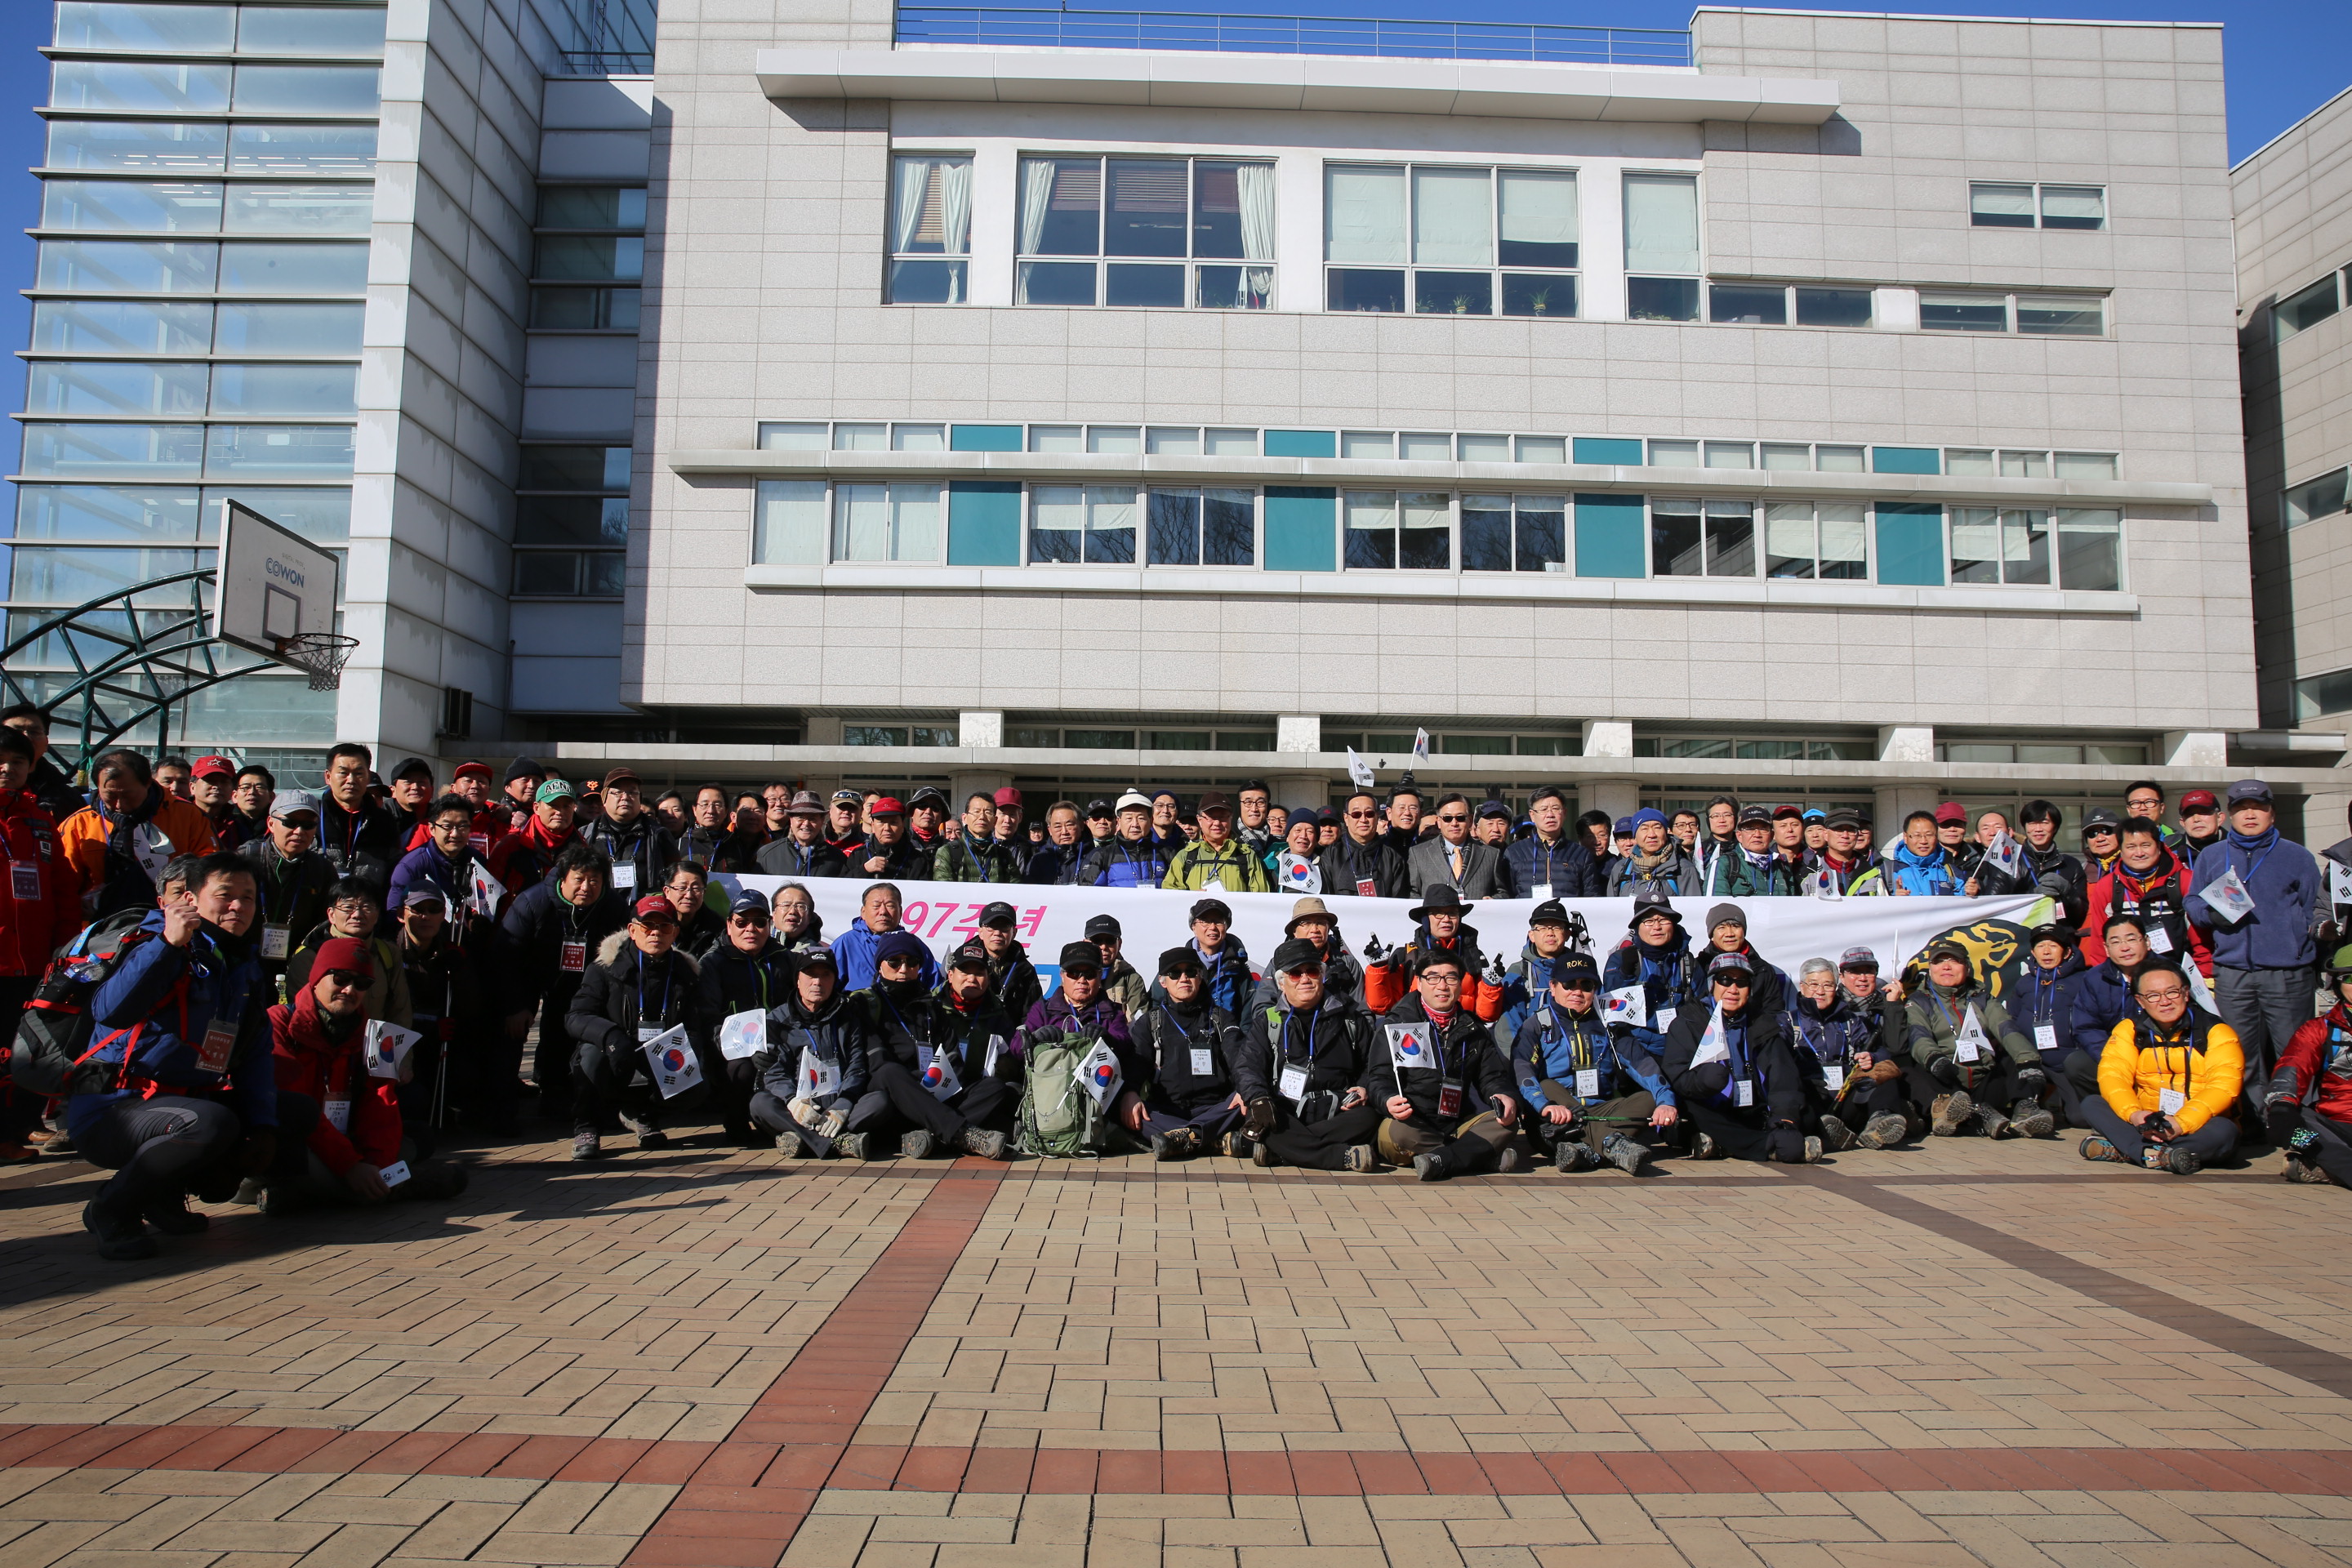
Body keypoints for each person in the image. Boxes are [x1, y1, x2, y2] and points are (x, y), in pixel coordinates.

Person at [76, 853, 316, 1259]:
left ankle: (162, 1195)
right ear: (190, 899)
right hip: (115, 1106)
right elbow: (109, 1011)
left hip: (185, 1100)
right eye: (224, 895)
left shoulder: (240, 962)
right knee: (210, 1124)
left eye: (248, 897)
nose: (237, 906)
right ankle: (111, 1208)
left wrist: (262, 1126)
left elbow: (255, 1053)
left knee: (294, 1113)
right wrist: (167, 945)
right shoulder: (158, 941)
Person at [265, 935, 462, 1209]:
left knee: (418, 1137)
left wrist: (375, 1164)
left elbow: (381, 1105)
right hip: (300, 1136)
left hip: (343, 1137)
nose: (349, 990)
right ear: (316, 978)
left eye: (361, 983)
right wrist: (350, 1166)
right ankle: (397, 1186)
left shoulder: (376, 1034)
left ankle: (314, 1194)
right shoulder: (278, 1022)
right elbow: (295, 1107)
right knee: (286, 1154)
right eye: (340, 978)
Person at [2186, 779, 2324, 1132]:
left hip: (2287, 971)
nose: (2250, 814)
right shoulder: (2213, 856)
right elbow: (2192, 901)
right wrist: (2210, 915)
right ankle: (2251, 1123)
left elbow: (2314, 909)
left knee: (2295, 1053)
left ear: (2272, 814)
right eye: (2241, 808)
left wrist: (2302, 947)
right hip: (2233, 971)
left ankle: (2302, 1127)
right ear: (2228, 816)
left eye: (2258, 808)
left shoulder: (2297, 856)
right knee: (2240, 1053)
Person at [567, 893, 710, 1160]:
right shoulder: (605, 967)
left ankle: (644, 1115)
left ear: (674, 933)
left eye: (664, 926)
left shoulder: (686, 973)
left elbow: (693, 1023)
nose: (656, 933)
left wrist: (690, 1051)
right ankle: (587, 1127)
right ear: (633, 930)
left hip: (660, 1054)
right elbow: (577, 1016)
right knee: (590, 1056)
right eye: (648, 926)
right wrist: (610, 1036)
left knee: (696, 1082)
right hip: (616, 1050)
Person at [853, 931, 1015, 1160]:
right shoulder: (865, 1002)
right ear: (880, 965)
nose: (903, 969)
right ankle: (962, 1134)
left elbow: (953, 1057)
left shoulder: (931, 1005)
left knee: (993, 1087)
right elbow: (876, 1063)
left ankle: (927, 1137)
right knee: (890, 1071)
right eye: (894, 962)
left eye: (911, 962)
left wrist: (939, 1084)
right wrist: (922, 1082)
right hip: (891, 1090)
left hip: (933, 1089)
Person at [497, 842, 626, 1129]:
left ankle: (572, 1096)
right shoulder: (532, 902)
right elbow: (507, 958)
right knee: (513, 1029)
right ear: (563, 878)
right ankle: (502, 1109)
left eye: (595, 880)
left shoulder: (613, 906)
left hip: (585, 981)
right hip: (531, 973)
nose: (586, 887)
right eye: (579, 879)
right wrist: (516, 1006)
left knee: (575, 1027)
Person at [1510, 953, 1674, 1174]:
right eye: (1569, 984)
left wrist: (1666, 1102)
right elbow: (1522, 1072)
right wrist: (1544, 1105)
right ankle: (1611, 1144)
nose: (1577, 992)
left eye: (1586, 985)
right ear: (1553, 987)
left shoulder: (1609, 1023)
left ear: (1595, 990)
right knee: (1548, 1085)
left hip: (1600, 1110)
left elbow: (1642, 1064)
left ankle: (1587, 1153)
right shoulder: (1537, 1025)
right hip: (1556, 1118)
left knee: (1649, 1098)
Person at [1230, 937, 1384, 1171]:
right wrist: (1258, 1097)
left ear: (1322, 975)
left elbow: (1373, 1065)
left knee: (1368, 1118)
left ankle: (1283, 1151)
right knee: (1261, 1115)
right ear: (1282, 983)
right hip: (1287, 1108)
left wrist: (1363, 1087)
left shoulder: (1350, 1018)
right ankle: (1341, 1156)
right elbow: (1248, 1066)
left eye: (1311, 971)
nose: (1305, 979)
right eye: (1295, 974)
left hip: (1339, 1108)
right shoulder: (1269, 1021)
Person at [1369, 951, 1520, 1181]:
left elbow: (1492, 1077)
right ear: (1419, 983)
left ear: (1460, 984)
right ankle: (1477, 1156)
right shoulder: (1396, 1025)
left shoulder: (1474, 1028)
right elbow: (1379, 1078)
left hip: (1457, 1122)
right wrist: (1388, 1100)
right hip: (1413, 1123)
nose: (1442, 986)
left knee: (1506, 1122)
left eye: (1451, 978)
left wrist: (1503, 1095)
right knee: (1398, 1133)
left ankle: (1442, 1160)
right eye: (1432, 978)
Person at [0, 733, 80, 1158]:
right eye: (1, 759)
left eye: (18, 760)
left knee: (25, 1050)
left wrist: (63, 946)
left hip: (34, 961)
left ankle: (14, 1132)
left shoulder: (39, 820)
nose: (8, 768)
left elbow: (63, 887)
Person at [2078, 966, 2242, 1174]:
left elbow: (2223, 1087)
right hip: (2146, 1123)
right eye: (2153, 996)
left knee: (2225, 1131)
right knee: (2093, 1104)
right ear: (2140, 1001)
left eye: (2172, 992)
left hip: (2196, 1124)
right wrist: (2135, 1115)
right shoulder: (2129, 1029)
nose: (2164, 1001)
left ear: (2186, 993)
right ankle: (2159, 1155)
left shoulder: (2215, 1031)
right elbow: (2113, 1076)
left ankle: (2133, 1151)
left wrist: (2181, 1123)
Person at [1663, 951, 1815, 1163]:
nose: (1733, 989)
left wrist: (1785, 1120)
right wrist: (1703, 1081)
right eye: (1725, 980)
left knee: (1803, 1109)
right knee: (1691, 1110)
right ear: (1712, 985)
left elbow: (1782, 1077)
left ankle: (1726, 1146)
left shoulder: (1762, 1023)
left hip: (1753, 1106)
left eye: (1741, 982)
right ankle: (1766, 1146)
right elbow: (1677, 1076)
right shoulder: (1688, 1021)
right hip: (1713, 1107)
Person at [1903, 938, 2054, 1139]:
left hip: (1983, 1077)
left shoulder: (1982, 997)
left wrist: (2029, 1062)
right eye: (1939, 961)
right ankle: (1976, 1115)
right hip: (1947, 1080)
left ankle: (2024, 1110)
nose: (1946, 967)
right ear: (1930, 968)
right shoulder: (1918, 1001)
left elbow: (2006, 1028)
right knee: (1911, 1068)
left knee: (2013, 1057)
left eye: (1954, 961)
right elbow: (1919, 1036)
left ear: (1966, 967)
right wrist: (1935, 1060)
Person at [58, 748, 218, 920]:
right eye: (110, 795)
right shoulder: (79, 824)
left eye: (128, 795)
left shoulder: (188, 816)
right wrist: (79, 906)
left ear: (148, 783)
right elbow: (62, 885)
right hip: (99, 924)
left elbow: (210, 872)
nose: (119, 805)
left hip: (171, 921)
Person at [1125, 946, 1250, 1159]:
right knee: (1130, 1109)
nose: (1184, 978)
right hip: (1167, 1111)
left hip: (1215, 1108)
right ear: (1163, 982)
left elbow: (1238, 1056)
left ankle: (1185, 1138)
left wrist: (1244, 1089)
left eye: (1190, 972)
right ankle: (1212, 1140)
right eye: (1175, 973)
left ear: (1200, 977)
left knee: (1245, 1101)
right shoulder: (1150, 1023)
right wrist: (1130, 1092)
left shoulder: (1221, 1018)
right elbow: (1136, 1064)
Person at [750, 945, 873, 1157]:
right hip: (800, 1104)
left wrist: (844, 1102)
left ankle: (801, 1139)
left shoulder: (849, 1014)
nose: (817, 982)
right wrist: (792, 1101)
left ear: (834, 980)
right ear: (797, 979)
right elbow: (775, 1072)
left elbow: (857, 1064)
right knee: (760, 1104)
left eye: (825, 975)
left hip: (839, 1101)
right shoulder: (776, 1020)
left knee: (879, 1101)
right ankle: (837, 1143)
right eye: (810, 975)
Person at [394, 886, 487, 1150]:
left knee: (470, 1072)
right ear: (402, 914)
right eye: (418, 910)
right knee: (414, 1098)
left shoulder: (452, 949)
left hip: (441, 1048)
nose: (426, 917)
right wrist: (429, 1026)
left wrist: (460, 973)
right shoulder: (390, 952)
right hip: (403, 1047)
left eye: (434, 910)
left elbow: (471, 1008)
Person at [1784, 958, 1909, 1151]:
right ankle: (1829, 1132)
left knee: (1885, 1074)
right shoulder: (1787, 1021)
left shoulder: (1850, 1020)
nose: (1820, 991)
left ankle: (1878, 1125)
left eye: (1827, 985)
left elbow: (1882, 1051)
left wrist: (1871, 1057)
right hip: (1812, 1096)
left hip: (1845, 1093)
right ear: (1802, 987)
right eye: (1814, 984)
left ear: (1836, 987)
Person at [2079, 820, 2209, 981]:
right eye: (2131, 847)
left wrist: (2205, 977)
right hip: (2127, 979)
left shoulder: (2185, 881)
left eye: (2146, 845)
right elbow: (2100, 941)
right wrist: (2108, 982)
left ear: (2159, 846)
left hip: (2176, 978)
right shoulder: (2107, 886)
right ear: (2121, 849)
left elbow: (2202, 939)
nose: (2139, 853)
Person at [2267, 943, 2352, 1187]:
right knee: (2293, 1123)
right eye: (2349, 978)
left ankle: (2322, 1170)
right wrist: (2281, 1105)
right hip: (2336, 1127)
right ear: (2336, 983)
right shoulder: (2318, 1029)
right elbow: (2292, 1067)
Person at [234, 787, 338, 983]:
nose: (299, 831)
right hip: (242, 960)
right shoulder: (244, 859)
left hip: (296, 964)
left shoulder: (322, 870)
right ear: (271, 823)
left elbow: (325, 924)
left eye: (308, 825)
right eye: (290, 823)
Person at [287, 875, 416, 1030]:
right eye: (348, 908)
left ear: (377, 915)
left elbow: (401, 1012)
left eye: (367, 907)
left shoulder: (388, 954)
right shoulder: (309, 957)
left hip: (375, 1044)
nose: (357, 915)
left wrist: (391, 1045)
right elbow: (301, 1015)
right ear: (331, 914)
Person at [1601, 890, 1700, 1078]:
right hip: (1638, 1049)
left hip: (1682, 1048)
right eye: (1648, 921)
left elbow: (1702, 1007)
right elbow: (1612, 1011)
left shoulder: (1687, 961)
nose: (1657, 927)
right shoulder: (1622, 959)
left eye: (1663, 920)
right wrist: (1625, 975)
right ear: (1637, 927)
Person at [1363, 886, 1499, 1021]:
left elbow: (1487, 1015)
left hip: (1462, 1031)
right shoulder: (1407, 956)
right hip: (1416, 1032)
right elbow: (1382, 1007)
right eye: (1438, 913)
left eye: (1452, 913)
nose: (1446, 919)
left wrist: (1491, 987)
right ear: (1426, 919)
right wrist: (1378, 970)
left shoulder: (1474, 956)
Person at [2011, 923, 2091, 1121]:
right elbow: (2011, 1018)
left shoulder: (2084, 981)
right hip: (2031, 1060)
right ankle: (2032, 1110)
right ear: (2033, 952)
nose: (2046, 951)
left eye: (2053, 946)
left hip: (2065, 1062)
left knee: (2080, 1119)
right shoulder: (2024, 982)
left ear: (2067, 952)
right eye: (2040, 946)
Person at [580, 768, 679, 902]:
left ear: (640, 798)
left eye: (632, 792)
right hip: (598, 908)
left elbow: (675, 879)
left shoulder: (659, 834)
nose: (625, 797)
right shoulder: (586, 834)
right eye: (617, 792)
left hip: (644, 911)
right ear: (604, 799)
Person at [1494, 899, 1589, 1039]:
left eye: (1557, 927)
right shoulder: (1518, 971)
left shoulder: (1583, 970)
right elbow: (1508, 1029)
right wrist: (1523, 1053)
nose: (1550, 933)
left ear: (1568, 934)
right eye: (1543, 928)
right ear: (1532, 935)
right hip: (1530, 1049)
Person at [1250, 897, 1364, 1011]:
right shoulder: (1278, 964)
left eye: (1321, 923)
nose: (1314, 929)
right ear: (1294, 931)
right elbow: (1262, 1009)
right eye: (1306, 923)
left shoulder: (1348, 964)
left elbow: (1363, 1011)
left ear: (1328, 928)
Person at [388, 793, 490, 917]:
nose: (455, 834)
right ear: (432, 828)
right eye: (447, 826)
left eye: (463, 826)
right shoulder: (412, 866)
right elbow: (395, 914)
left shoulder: (477, 860)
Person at [314, 742, 403, 887]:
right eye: (343, 773)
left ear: (368, 777)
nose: (351, 780)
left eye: (359, 773)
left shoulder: (384, 821)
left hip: (368, 900)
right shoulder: (314, 815)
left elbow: (393, 870)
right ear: (328, 777)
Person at [1685, 904, 1791, 1018]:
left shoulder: (1763, 969)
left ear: (1744, 931)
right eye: (1721, 928)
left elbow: (1774, 1011)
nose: (1730, 934)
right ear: (1712, 934)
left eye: (1735, 926)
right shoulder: (1698, 967)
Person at [834, 883, 941, 992]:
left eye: (890, 906)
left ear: (900, 912)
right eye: (876, 906)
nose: (883, 912)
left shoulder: (914, 944)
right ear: (863, 912)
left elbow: (935, 988)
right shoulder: (845, 944)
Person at [1500, 787, 1599, 900]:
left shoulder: (1580, 854)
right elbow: (1506, 895)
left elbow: (1592, 896)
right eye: (1543, 809)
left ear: (1564, 813)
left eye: (1555, 809)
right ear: (1532, 815)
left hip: (1568, 912)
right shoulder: (1514, 852)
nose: (1550, 815)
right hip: (1527, 912)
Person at [488, 777, 582, 894]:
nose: (560, 812)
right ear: (537, 808)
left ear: (574, 808)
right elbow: (489, 893)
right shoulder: (511, 844)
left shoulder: (583, 849)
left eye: (566, 806)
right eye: (553, 805)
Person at [1405, 793, 1508, 900]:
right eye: (1447, 818)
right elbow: (1412, 893)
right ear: (1439, 822)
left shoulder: (1491, 854)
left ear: (1470, 820)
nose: (1454, 823)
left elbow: (1502, 893)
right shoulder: (1418, 853)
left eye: (1460, 818)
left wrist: (1493, 901)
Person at [1165, 792, 1272, 892]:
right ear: (1200, 820)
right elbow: (1170, 894)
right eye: (1211, 817)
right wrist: (1192, 898)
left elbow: (1261, 897)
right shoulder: (1185, 856)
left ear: (1231, 819)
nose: (1217, 823)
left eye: (1222, 817)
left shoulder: (1247, 856)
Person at [0, 702, 85, 824]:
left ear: (46, 742)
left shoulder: (67, 797)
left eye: (34, 732)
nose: (26, 737)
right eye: (16, 731)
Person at [1320, 791, 1409, 899]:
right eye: (1356, 814)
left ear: (1377, 817)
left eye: (1369, 814)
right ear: (1346, 818)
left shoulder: (1392, 857)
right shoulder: (1331, 855)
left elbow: (1399, 900)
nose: (1363, 820)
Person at [1855, 811, 1961, 896]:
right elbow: (1875, 907)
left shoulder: (1950, 872)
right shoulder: (1886, 871)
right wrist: (1893, 900)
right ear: (1905, 837)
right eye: (1917, 835)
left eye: (1929, 835)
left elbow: (1962, 906)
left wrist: (1969, 893)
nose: (1923, 841)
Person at [1078, 791, 1169, 889]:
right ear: (1119, 821)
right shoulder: (1104, 856)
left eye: (1141, 818)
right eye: (1129, 818)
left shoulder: (1166, 853)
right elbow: (1089, 892)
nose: (1135, 824)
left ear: (1151, 821)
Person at [1605, 808, 1699, 897]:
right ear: (1635, 836)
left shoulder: (1683, 868)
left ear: (1666, 833)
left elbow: (1693, 907)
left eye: (1657, 828)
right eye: (1644, 829)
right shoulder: (1621, 868)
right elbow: (1611, 906)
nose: (1651, 835)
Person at [756, 791, 849, 879]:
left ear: (822, 821)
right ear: (791, 820)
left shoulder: (837, 858)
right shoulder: (767, 854)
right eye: (800, 818)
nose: (806, 824)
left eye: (812, 819)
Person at [936, 791, 1019, 882]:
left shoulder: (1005, 855)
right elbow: (944, 889)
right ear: (964, 818)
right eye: (976, 812)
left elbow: (1015, 887)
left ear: (995, 821)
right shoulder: (948, 852)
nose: (982, 817)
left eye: (987, 812)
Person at [662, 860, 726, 960]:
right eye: (682, 888)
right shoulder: (654, 923)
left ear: (704, 892)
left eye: (696, 888)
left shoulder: (716, 926)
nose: (689, 895)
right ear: (667, 891)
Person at [1025, 800, 1088, 885]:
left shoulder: (1096, 856)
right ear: (1050, 830)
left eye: (1069, 825)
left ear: (1081, 826)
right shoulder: (1039, 860)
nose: (1064, 832)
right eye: (1058, 826)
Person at [225, 764, 276, 850]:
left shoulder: (280, 822)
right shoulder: (223, 820)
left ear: (271, 796)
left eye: (259, 787)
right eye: (245, 787)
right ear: (235, 796)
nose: (252, 792)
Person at [498, 757, 546, 835]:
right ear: (508, 787)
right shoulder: (493, 815)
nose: (531, 785)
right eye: (524, 780)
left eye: (536, 781)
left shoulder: (548, 817)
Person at [2178, 789, 2226, 862]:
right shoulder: (2171, 853)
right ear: (2183, 823)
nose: (2196, 819)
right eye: (2189, 815)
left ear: (2219, 818)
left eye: (2203, 812)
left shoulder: (2237, 848)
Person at [2080, 808, 2123, 883]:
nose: (2100, 839)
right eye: (2092, 833)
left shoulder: (2133, 866)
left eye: (2106, 831)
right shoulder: (2082, 871)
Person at [1236, 782, 1274, 856]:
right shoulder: (1228, 842)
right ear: (1239, 806)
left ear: (1268, 807)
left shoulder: (1279, 847)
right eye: (1248, 802)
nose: (1254, 809)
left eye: (1260, 802)